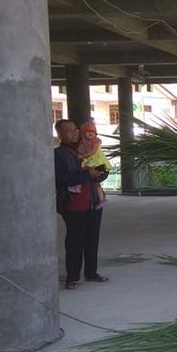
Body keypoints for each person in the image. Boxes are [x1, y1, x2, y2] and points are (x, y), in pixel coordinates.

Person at [54, 119, 110, 290]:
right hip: (74, 205)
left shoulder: (85, 148)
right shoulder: (59, 154)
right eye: (69, 131)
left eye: (75, 130)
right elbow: (62, 179)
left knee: (92, 239)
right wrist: (88, 175)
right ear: (60, 134)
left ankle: (91, 273)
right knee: (74, 240)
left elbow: (96, 173)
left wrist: (100, 173)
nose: (75, 133)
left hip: (93, 202)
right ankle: (72, 277)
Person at [77, 121, 112, 209]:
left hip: (98, 163)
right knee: (95, 182)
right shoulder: (83, 142)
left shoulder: (96, 141)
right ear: (83, 133)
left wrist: (82, 156)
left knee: (90, 177)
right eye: (87, 132)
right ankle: (101, 199)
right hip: (92, 162)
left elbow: (92, 152)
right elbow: (79, 150)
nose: (90, 134)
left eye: (92, 132)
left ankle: (100, 198)